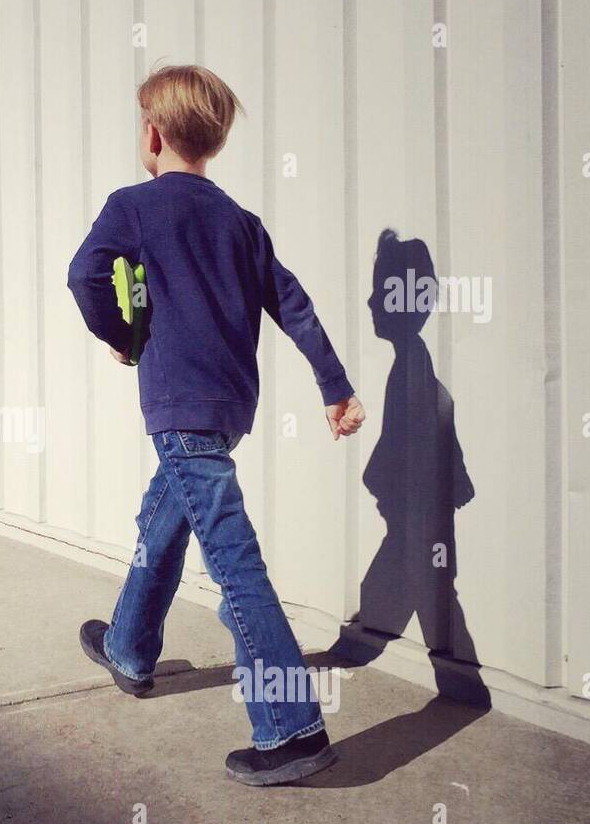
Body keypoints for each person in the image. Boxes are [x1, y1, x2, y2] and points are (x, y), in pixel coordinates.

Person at [66, 64, 365, 785]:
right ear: (216, 140)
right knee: (167, 514)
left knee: (233, 561)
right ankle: (131, 647)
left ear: (152, 133)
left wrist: (123, 335)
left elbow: (84, 274)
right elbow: (293, 305)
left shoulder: (133, 205)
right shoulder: (241, 222)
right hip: (228, 410)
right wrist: (334, 385)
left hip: (178, 406)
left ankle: (292, 726)